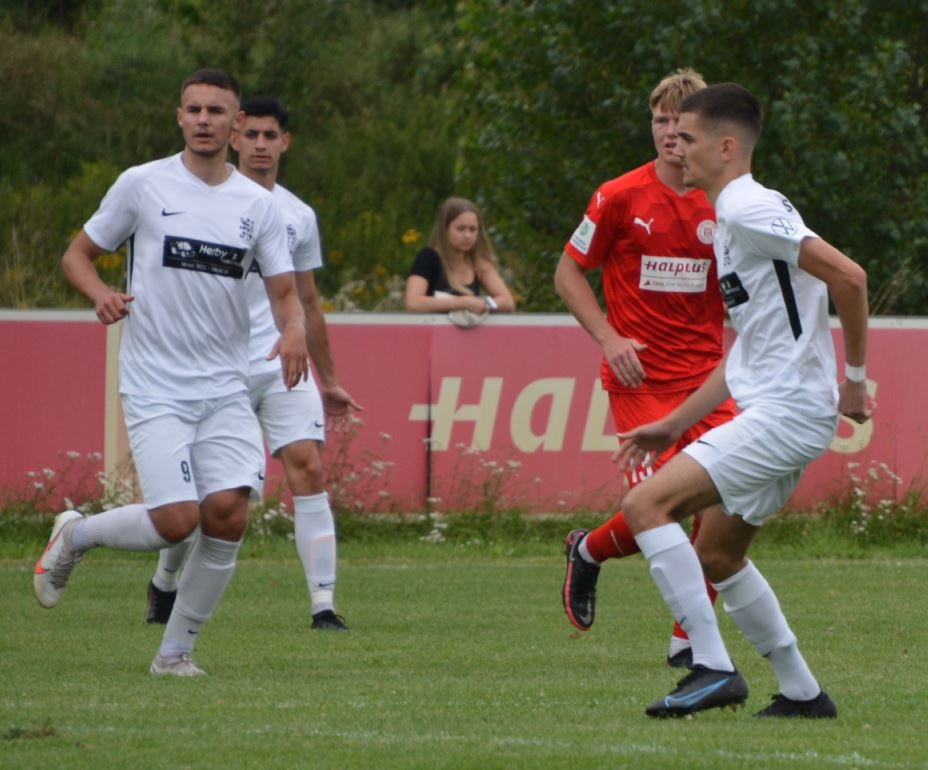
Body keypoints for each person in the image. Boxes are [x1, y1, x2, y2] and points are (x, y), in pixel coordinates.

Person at [33, 69, 310, 677]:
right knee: (176, 522)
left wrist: (294, 330)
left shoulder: (259, 206)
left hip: (225, 384)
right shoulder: (142, 184)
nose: (204, 119)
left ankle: (174, 654)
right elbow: (77, 256)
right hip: (155, 382)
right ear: (179, 116)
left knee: (228, 514)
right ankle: (76, 535)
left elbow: (286, 294)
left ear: (236, 123)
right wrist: (101, 293)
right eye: (194, 109)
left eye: (216, 110)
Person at [614, 82, 873, 718]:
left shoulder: (747, 208)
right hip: (780, 407)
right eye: (672, 133)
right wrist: (673, 423)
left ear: (727, 147)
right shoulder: (735, 217)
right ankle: (803, 694)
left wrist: (855, 378)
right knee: (718, 553)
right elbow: (748, 353)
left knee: (646, 504)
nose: (676, 145)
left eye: (689, 137)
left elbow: (850, 277)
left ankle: (711, 667)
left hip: (788, 411)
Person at [144, 96, 362, 632]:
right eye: (252, 135)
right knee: (207, 497)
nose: (260, 145)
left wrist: (330, 378)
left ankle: (323, 606)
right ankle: (165, 582)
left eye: (271, 136)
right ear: (235, 137)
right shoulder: (207, 201)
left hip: (282, 361)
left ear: (285, 143)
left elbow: (307, 301)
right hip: (217, 368)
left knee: (308, 467)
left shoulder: (298, 215)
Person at [557, 68, 733, 668]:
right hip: (640, 383)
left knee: (724, 503)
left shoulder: (726, 201)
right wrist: (609, 339)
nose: (670, 133)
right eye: (660, 121)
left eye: (681, 124)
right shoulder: (619, 196)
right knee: (663, 506)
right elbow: (567, 273)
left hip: (707, 382)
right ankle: (593, 555)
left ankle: (684, 639)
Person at [404, 197, 515, 324]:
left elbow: (507, 302)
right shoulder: (428, 258)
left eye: (473, 229)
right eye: (461, 229)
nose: (468, 236)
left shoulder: (478, 262)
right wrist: (462, 303)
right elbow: (413, 303)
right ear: (445, 229)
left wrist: (485, 304)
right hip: (431, 332)